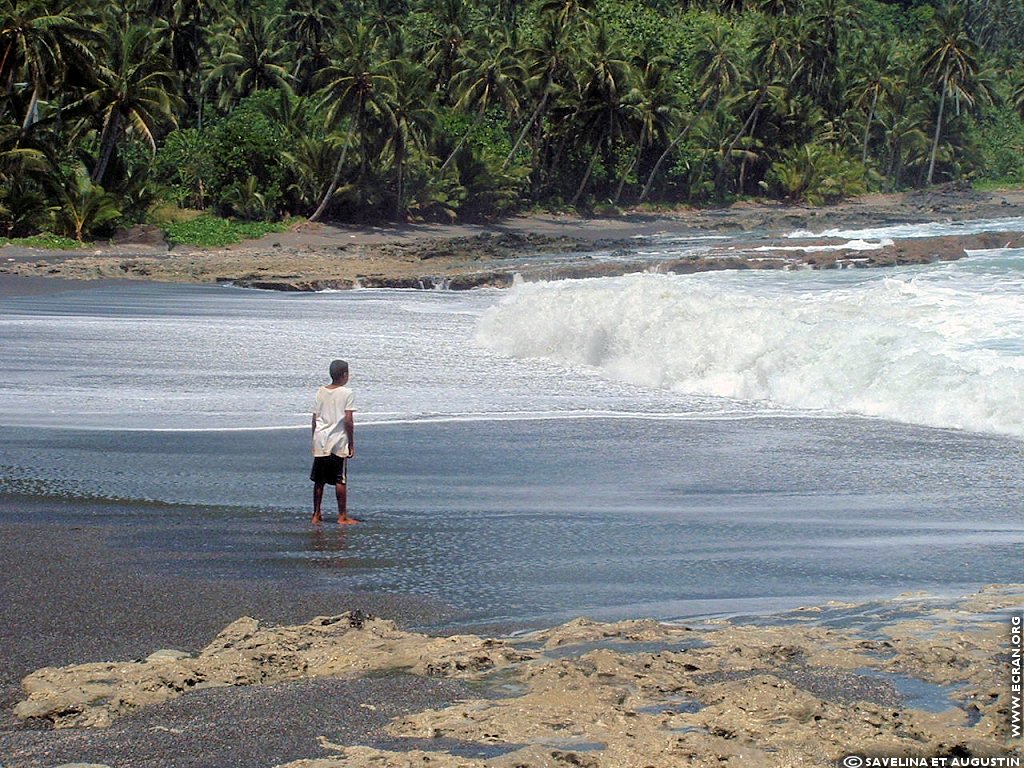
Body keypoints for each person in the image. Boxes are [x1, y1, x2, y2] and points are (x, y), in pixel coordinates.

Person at [310, 359, 356, 524]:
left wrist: (314, 438)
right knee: (339, 479)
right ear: (344, 375)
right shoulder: (347, 393)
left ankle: (316, 514)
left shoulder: (321, 391)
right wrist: (351, 442)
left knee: (319, 479)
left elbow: (315, 418)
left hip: (321, 439)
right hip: (338, 441)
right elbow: (348, 420)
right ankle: (342, 515)